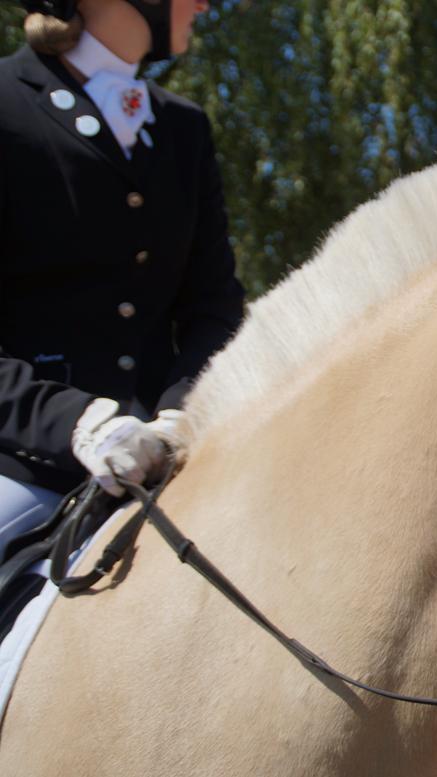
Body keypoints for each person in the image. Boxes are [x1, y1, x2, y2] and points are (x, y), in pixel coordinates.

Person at [0, 0, 245, 565]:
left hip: (168, 467)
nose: (205, 3)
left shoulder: (182, 128)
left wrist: (180, 414)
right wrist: (80, 426)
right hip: (25, 467)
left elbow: (215, 309)